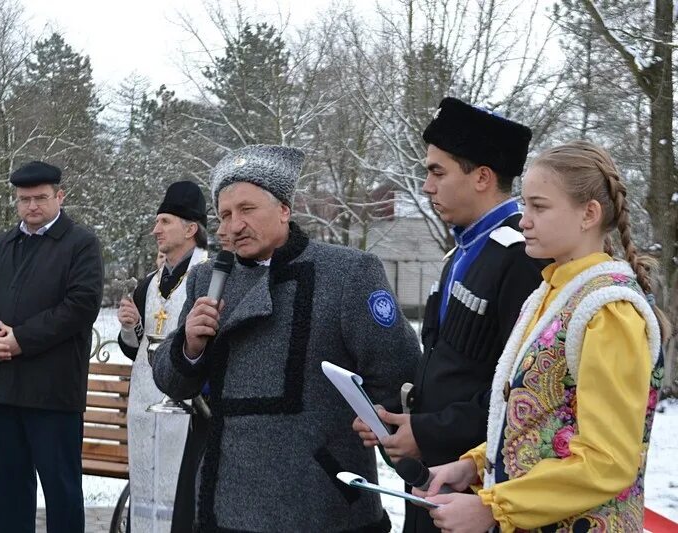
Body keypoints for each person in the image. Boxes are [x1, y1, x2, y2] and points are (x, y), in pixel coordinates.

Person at [152, 144, 420, 531]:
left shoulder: (347, 273)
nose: (234, 225)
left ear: (284, 209)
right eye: (225, 215)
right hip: (227, 498)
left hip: (320, 501)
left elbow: (398, 376)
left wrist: (372, 434)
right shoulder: (206, 279)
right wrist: (189, 345)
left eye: (247, 209)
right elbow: (173, 382)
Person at [415, 140, 668, 533]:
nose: (523, 219)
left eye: (539, 206)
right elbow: (536, 420)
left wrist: (494, 508)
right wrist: (475, 465)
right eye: (524, 204)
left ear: (589, 214)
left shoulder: (608, 310)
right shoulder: (552, 292)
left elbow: (608, 461)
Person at [353, 97, 547, 533]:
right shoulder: (460, 252)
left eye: (437, 172)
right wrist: (405, 422)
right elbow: (448, 367)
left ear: (482, 177)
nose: (426, 186)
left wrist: (428, 432)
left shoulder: (521, 257)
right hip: (436, 480)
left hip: (481, 494)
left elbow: (522, 395)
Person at [0, 161, 104, 533]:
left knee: (61, 491)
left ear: (60, 196)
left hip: (54, 392)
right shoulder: (1, 245)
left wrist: (20, 340)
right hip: (6, 388)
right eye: (24, 199)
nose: (32, 206)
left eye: (40, 198)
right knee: (8, 490)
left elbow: (81, 306)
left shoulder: (81, 244)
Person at [115, 180, 209, 533]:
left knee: (182, 497)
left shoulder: (211, 276)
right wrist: (130, 327)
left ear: (190, 228)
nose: (156, 230)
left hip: (189, 411)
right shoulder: (149, 283)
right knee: (145, 488)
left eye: (165, 221)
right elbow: (133, 348)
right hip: (144, 403)